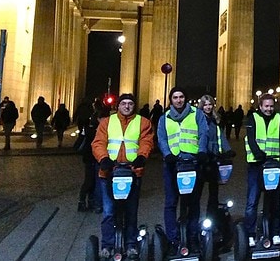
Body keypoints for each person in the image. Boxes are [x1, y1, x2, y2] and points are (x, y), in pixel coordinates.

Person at [92, 93, 154, 260]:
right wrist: (103, 158)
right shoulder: (107, 122)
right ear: (118, 106)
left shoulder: (143, 122)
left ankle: (131, 244)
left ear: (134, 106)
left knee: (131, 210)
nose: (127, 106)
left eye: (130, 104)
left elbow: (146, 141)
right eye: (123, 103)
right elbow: (98, 142)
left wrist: (142, 156)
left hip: (133, 172)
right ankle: (107, 245)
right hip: (109, 172)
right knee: (109, 211)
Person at [157, 86, 209, 254]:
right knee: (171, 202)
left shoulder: (197, 113)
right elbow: (162, 138)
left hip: (193, 162)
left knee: (193, 203)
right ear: (171, 100)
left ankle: (193, 237)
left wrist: (202, 151)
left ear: (185, 98)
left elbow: (204, 133)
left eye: (181, 97)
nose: (178, 100)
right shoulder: (164, 118)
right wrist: (167, 154)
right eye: (175, 97)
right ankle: (173, 239)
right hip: (172, 164)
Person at [244, 94, 280, 246]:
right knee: (252, 200)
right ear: (260, 106)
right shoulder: (253, 118)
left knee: (274, 201)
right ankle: (250, 233)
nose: (269, 109)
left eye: (271, 106)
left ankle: (274, 231)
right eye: (266, 106)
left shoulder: (279, 118)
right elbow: (250, 138)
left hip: (274, 163)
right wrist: (257, 152)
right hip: (256, 164)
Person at [197, 95, 234, 215]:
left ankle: (211, 215)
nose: (208, 107)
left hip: (214, 157)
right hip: (202, 157)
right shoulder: (197, 119)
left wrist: (228, 150)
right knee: (197, 190)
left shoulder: (215, 119)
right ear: (201, 106)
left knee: (214, 190)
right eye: (205, 105)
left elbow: (221, 136)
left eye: (210, 104)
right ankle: (193, 217)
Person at [78, 106, 100, 212]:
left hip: (91, 158)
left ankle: (90, 201)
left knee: (92, 181)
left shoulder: (88, 129)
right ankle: (83, 202)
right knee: (89, 181)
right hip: (91, 157)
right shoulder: (94, 130)